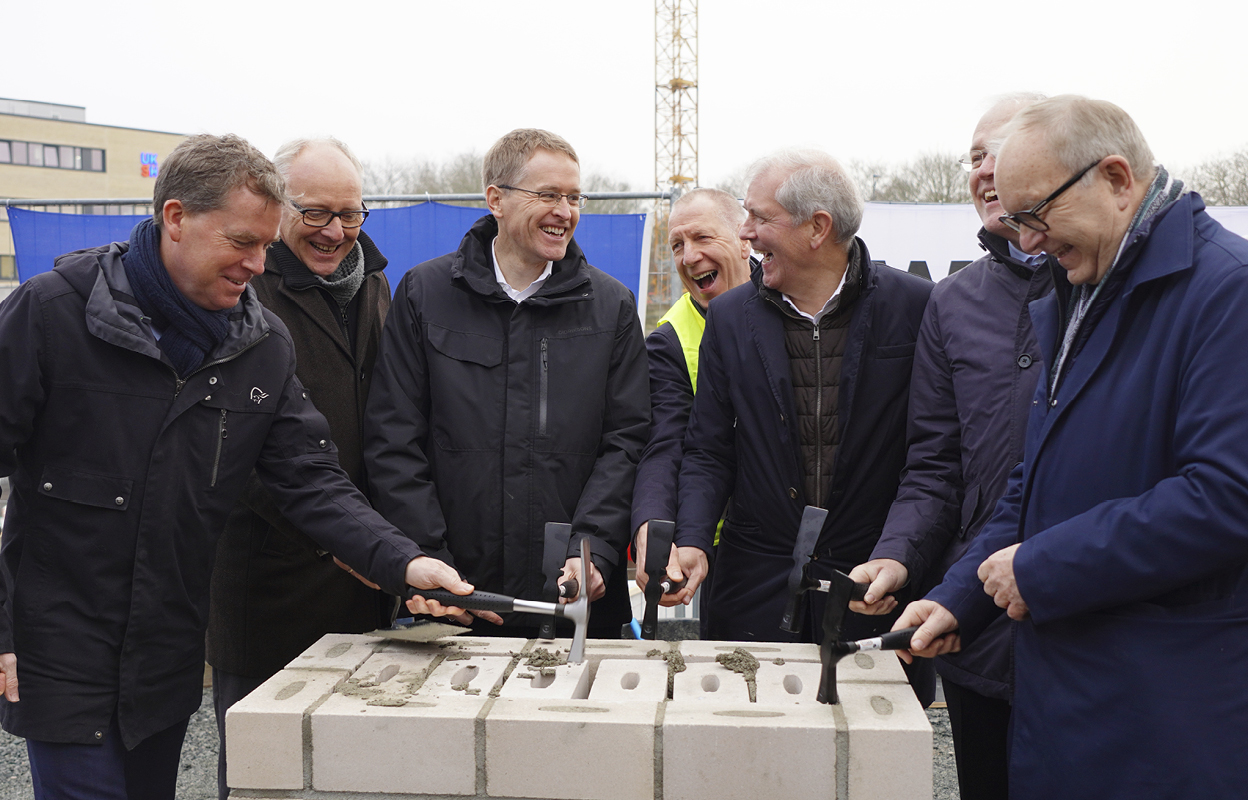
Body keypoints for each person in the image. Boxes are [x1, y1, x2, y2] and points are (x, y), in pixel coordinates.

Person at [0, 134, 472, 800]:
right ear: (174, 219)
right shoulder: (53, 316)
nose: (259, 263)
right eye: (242, 243)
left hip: (165, 651)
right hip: (60, 646)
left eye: (264, 244)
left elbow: (312, 482)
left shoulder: (259, 346)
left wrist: (401, 561)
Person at [897, 95, 1248, 798]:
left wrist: (1044, 567)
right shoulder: (1084, 289)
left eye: (1034, 215)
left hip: (1163, 715)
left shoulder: (1226, 292)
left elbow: (1226, 496)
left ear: (1116, 179)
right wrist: (961, 596)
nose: (1026, 242)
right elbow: (1041, 471)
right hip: (1070, 698)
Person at [364, 128, 649, 638]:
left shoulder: (612, 307)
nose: (565, 211)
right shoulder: (424, 295)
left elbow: (626, 443)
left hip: (575, 606)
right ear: (495, 198)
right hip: (455, 601)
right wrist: (428, 560)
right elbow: (393, 439)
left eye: (573, 197)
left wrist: (594, 550)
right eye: (548, 195)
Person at [848, 93, 1051, 800]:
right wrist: (900, 556)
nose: (988, 171)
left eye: (1006, 152)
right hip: (977, 623)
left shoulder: (1107, 290)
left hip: (1088, 624)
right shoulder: (954, 301)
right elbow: (934, 463)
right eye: (975, 157)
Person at [673, 149, 934, 670]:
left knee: (871, 746)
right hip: (753, 591)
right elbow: (708, 449)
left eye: (760, 218)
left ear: (818, 227)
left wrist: (899, 554)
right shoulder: (728, 317)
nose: (744, 233)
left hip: (872, 589)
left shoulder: (917, 306)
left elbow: (930, 456)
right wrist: (695, 539)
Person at [205, 138, 396, 800]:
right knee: (264, 772)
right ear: (278, 206)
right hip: (267, 583)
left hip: (361, 584)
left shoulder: (373, 283)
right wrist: (333, 531)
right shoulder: (242, 287)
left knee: (349, 771)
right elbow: (230, 445)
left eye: (350, 213)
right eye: (315, 213)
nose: (336, 231)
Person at [631, 188, 754, 613]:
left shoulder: (790, 305)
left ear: (745, 237)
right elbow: (665, 447)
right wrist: (655, 528)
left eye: (702, 238)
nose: (688, 257)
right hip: (719, 550)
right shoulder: (668, 339)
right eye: (677, 245)